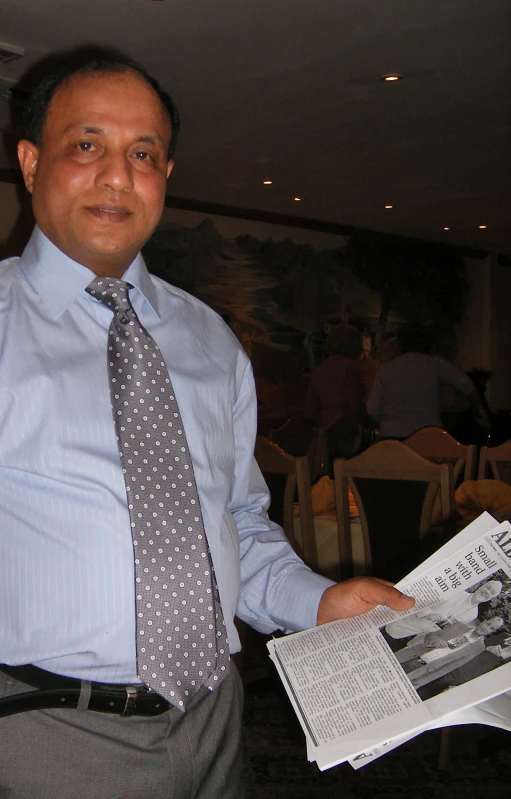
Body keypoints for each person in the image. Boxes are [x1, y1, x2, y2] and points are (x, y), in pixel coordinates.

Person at [0, 51, 414, 799]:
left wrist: (318, 600)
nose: (117, 175)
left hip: (214, 722)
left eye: (143, 153)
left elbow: (236, 523)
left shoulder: (208, 339)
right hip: (44, 731)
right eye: (86, 145)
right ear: (30, 164)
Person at [366, 323, 490, 439]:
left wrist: (389, 419)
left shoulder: (386, 369)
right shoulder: (434, 364)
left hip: (392, 436)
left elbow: (372, 408)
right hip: (428, 436)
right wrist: (480, 409)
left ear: (401, 343)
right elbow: (465, 384)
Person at [395, 617, 505, 689]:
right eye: (488, 623)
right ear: (484, 621)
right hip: (409, 656)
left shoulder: (479, 648)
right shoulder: (460, 625)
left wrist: (421, 681)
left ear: (492, 632)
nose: (487, 628)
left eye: (492, 628)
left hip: (421, 670)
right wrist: (435, 641)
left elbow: (450, 667)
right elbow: (432, 634)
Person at [385, 580, 503, 639]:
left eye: (492, 593)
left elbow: (449, 628)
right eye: (488, 588)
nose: (487, 592)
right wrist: (429, 614)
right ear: (482, 585)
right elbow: (421, 599)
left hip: (409, 636)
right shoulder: (456, 592)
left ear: (491, 598)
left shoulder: (473, 615)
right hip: (399, 622)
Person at [304, 323, 366, 427]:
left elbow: (310, 409)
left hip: (326, 429)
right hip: (349, 428)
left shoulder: (320, 369)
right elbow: (354, 403)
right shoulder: (351, 366)